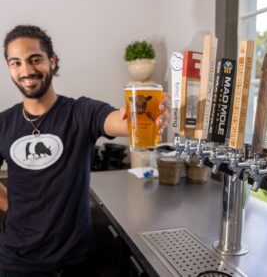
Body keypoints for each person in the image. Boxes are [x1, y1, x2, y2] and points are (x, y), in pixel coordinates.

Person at [0, 25, 171, 277]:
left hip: (76, 261)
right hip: (18, 264)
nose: (26, 70)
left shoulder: (81, 112)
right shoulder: (3, 123)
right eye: (16, 63)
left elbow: (119, 121)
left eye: (35, 59)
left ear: (52, 61)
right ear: (9, 68)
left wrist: (148, 114)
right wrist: (9, 204)